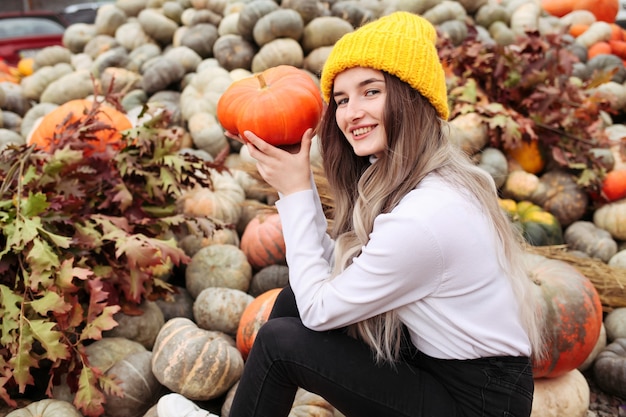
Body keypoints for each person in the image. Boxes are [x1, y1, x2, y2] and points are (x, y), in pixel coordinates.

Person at [158, 11, 545, 417]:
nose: (350, 113)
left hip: (477, 404)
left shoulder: (426, 216)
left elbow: (320, 311)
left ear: (413, 96)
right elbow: (324, 290)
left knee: (279, 343)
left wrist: (294, 191)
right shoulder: (419, 179)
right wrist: (298, 186)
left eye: (370, 92)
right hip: (440, 367)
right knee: (294, 300)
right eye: (341, 99)